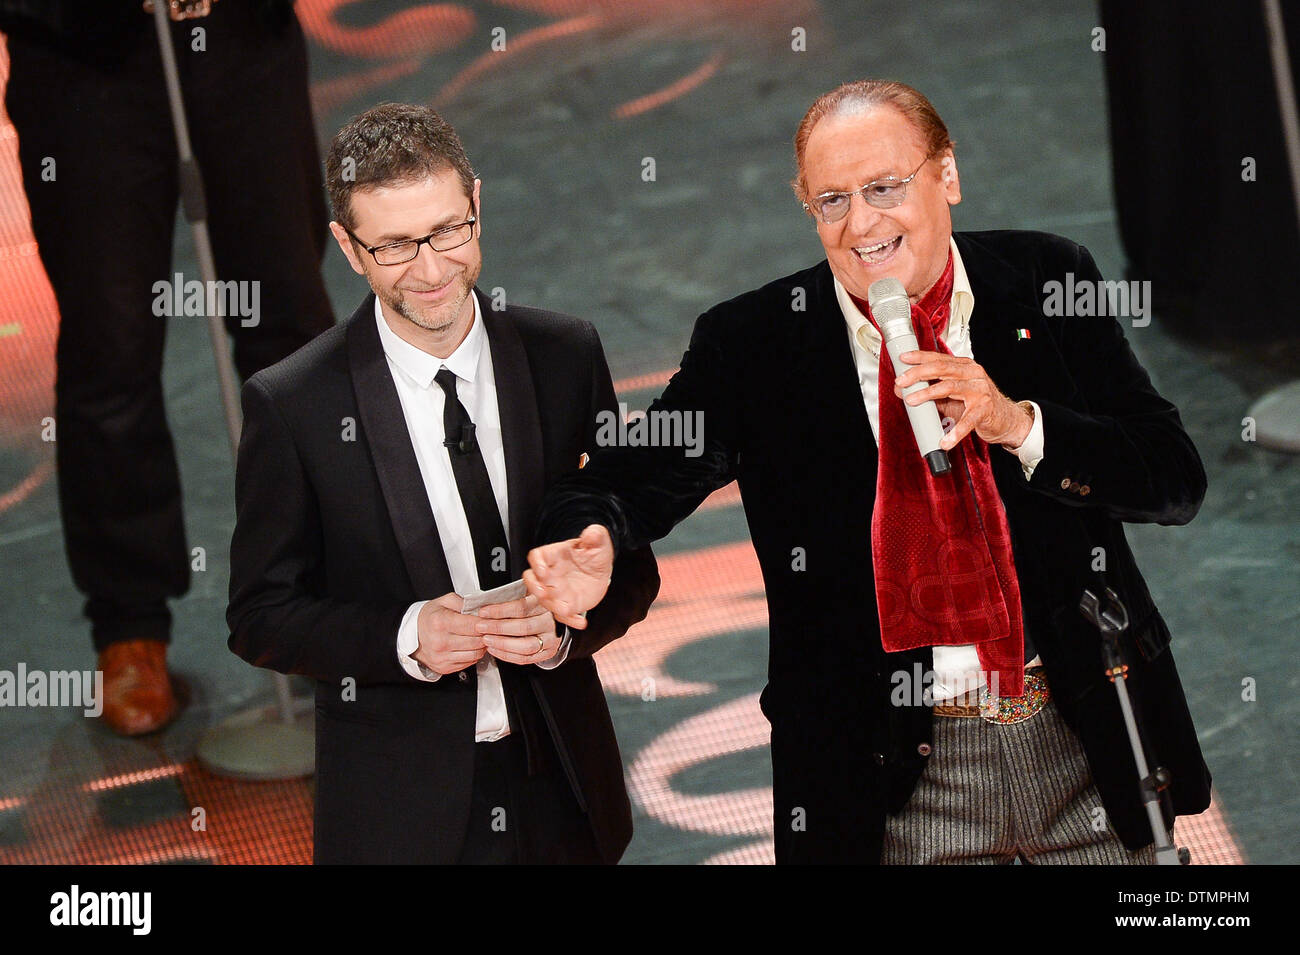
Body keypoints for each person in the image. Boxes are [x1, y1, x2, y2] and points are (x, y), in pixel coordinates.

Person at [526, 79, 1212, 864]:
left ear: (947, 174)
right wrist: (589, 538)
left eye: (885, 188)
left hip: (1084, 745)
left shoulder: (1049, 277)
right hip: (895, 785)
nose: (861, 224)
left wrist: (1016, 423)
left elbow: (1172, 477)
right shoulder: (754, 347)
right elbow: (618, 482)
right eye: (832, 201)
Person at [226, 103, 659, 864]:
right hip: (402, 815)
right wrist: (406, 636)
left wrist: (564, 629)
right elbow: (260, 613)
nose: (430, 270)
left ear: (477, 205)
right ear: (347, 249)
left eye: (449, 231)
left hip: (563, 782)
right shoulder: (294, 404)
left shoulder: (565, 354)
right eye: (393, 246)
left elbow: (629, 564)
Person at [0, 0, 335, 735]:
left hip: (241, 41)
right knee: (109, 349)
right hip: (86, 67)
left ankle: (335, 586)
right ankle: (129, 629)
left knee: (291, 327)